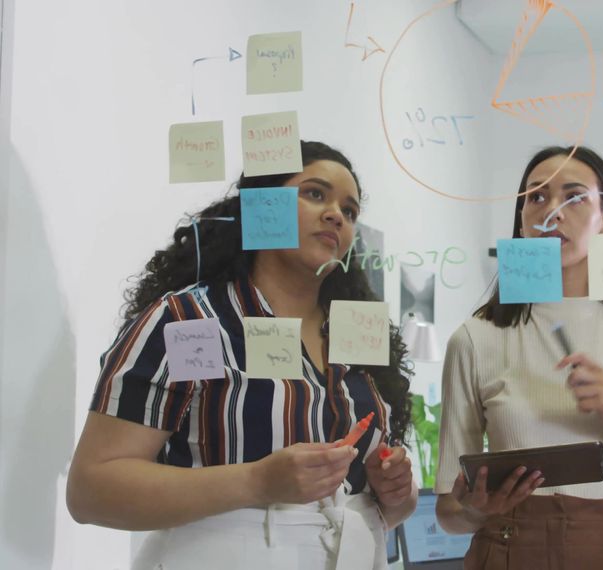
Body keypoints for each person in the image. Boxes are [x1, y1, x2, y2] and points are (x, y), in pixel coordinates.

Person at [67, 141, 418, 570]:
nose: (336, 216)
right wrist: (257, 481)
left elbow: (376, 511)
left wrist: (395, 494)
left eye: (350, 210)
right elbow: (91, 490)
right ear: (259, 205)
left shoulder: (359, 336)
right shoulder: (190, 321)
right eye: (314, 193)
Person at [434, 146, 603, 569]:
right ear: (521, 222)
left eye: (574, 197)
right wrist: (475, 511)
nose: (552, 211)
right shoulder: (475, 338)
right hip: (504, 550)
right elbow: (448, 512)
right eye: (536, 197)